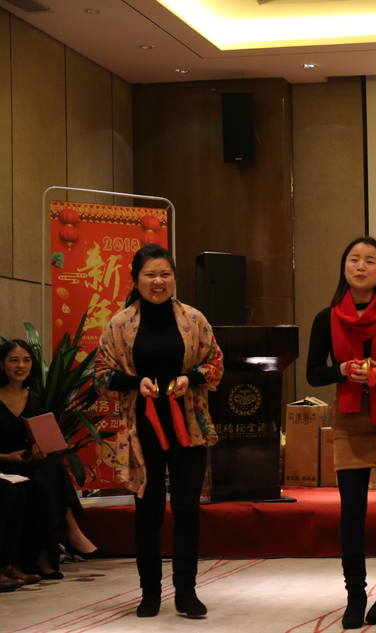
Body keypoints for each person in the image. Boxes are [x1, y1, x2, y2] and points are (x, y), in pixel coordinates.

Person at [94, 244, 224, 618]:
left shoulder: (193, 319)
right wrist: (135, 383)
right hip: (142, 428)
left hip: (188, 427)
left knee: (186, 509)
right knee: (148, 511)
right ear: (136, 279)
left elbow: (215, 363)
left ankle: (186, 592)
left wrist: (190, 378)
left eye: (165, 274)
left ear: (174, 278)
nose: (158, 281)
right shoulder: (120, 324)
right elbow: (101, 374)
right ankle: (149, 593)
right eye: (150, 274)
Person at [307, 236, 376, 629]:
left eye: (370, 261)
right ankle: (355, 596)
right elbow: (313, 373)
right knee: (352, 509)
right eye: (354, 259)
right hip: (350, 419)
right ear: (344, 268)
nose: (361, 266)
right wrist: (341, 370)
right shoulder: (326, 318)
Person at [0, 339, 100, 581]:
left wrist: (38, 449)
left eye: (26, 360)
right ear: (1, 364)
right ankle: (59, 546)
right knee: (45, 476)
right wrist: (6, 456)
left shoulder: (34, 398)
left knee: (51, 468)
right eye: (14, 360)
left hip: (23, 461)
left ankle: (51, 551)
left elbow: (36, 435)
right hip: (2, 462)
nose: (21, 366)